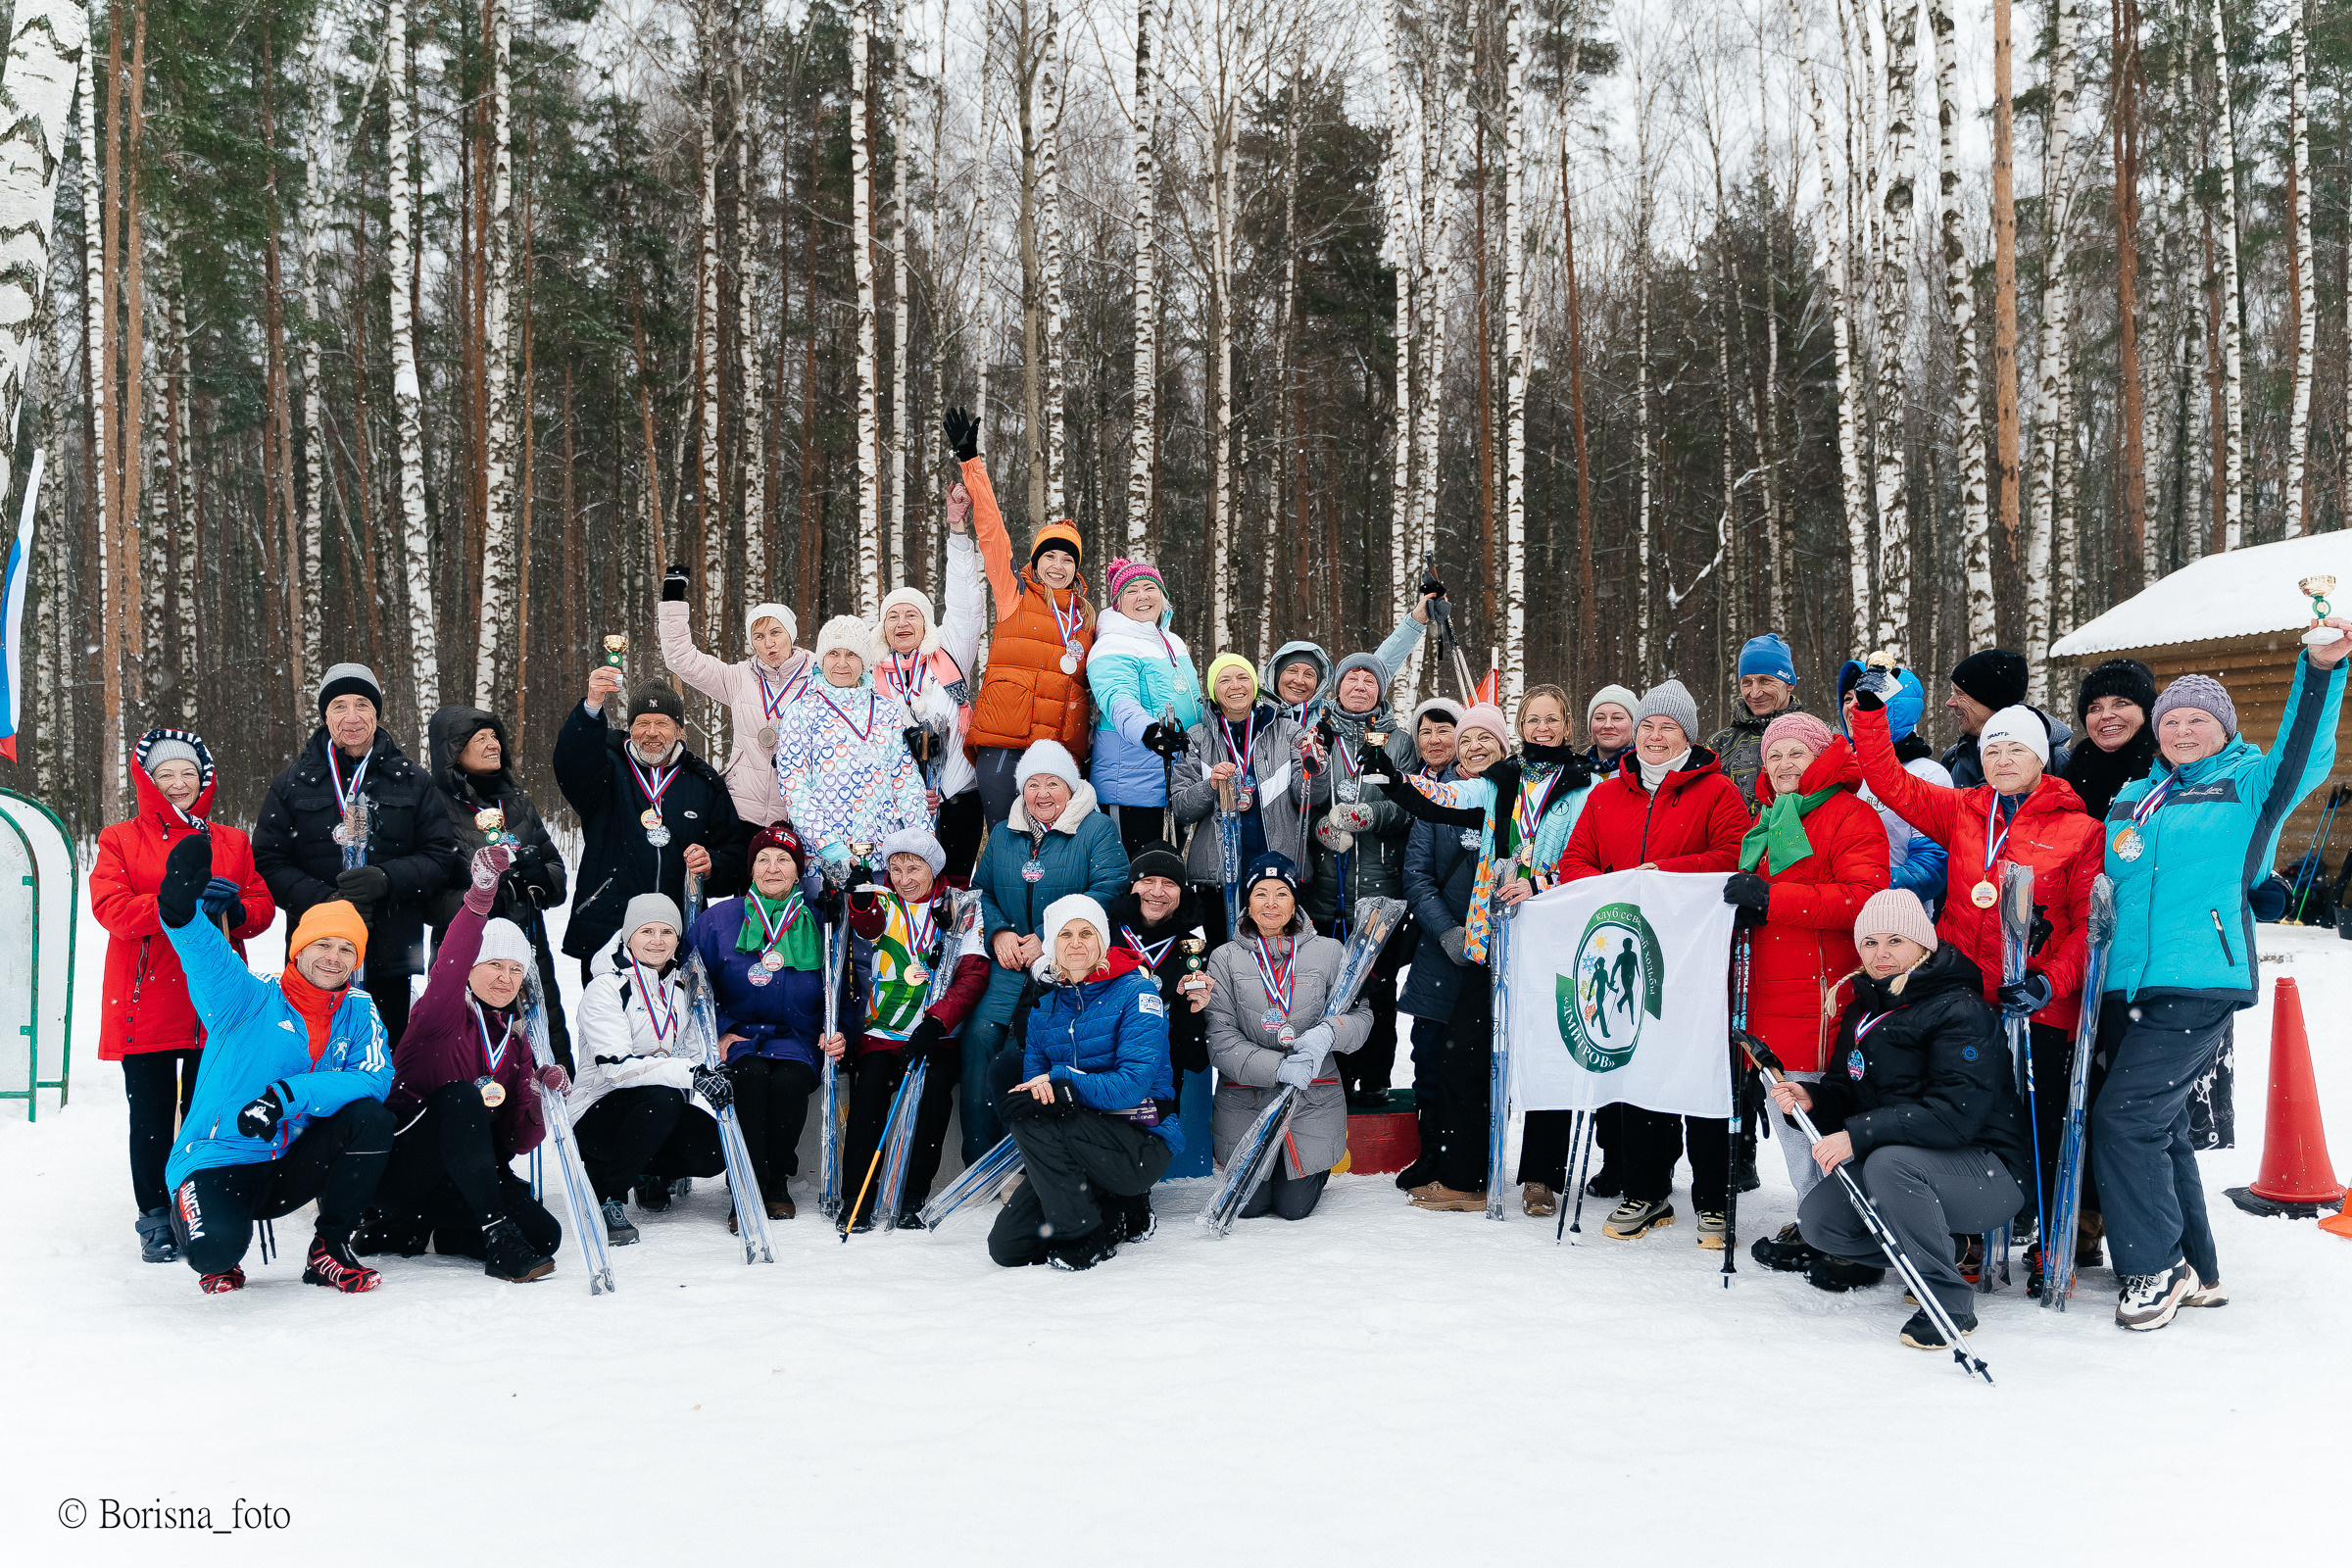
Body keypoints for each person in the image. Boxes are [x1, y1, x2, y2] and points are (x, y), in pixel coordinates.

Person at [2095, 628, 2349, 1330]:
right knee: (2163, 1127)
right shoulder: (2134, 796)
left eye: (2197, 720)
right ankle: (2199, 1271)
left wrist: (2320, 670)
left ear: (2224, 730)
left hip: (2199, 978)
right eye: (2171, 720)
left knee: (2125, 1118)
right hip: (2125, 986)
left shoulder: (2249, 783)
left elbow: (2307, 749)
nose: (2181, 730)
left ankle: (2154, 1268)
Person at [1850, 683, 2102, 1290]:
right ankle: (1963, 1231)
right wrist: (1868, 714)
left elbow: (2082, 924)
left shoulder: (2080, 829)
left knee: (2041, 1122)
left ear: (2042, 757)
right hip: (1965, 1001)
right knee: (1967, 1117)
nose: (2002, 759)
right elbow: (1891, 783)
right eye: (1993, 750)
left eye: (2016, 748)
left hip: (2036, 1004)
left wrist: (2050, 983)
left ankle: (2048, 1236)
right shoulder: (1965, 809)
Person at [1776, 890, 2034, 1350]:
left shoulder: (1962, 1010)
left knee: (1887, 1163)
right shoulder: (1862, 1010)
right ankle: (1939, 1250)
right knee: (1820, 1223)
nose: (1882, 954)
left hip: (1988, 1173)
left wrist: (1858, 1137)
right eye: (1870, 943)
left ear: (1923, 946)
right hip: (1910, 1166)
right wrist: (1812, 1099)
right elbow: (1844, 1090)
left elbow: (1955, 1115)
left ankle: (1949, 1302)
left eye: (1896, 940)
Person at [153, 832, 393, 1296]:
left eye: (347, 949)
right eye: (322, 944)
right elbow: (207, 958)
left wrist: (289, 1094)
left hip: (287, 1163)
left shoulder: (358, 1008)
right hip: (216, 1157)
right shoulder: (250, 996)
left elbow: (375, 1079)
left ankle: (330, 1247)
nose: (333, 958)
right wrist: (179, 911)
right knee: (213, 1253)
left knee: (371, 1118)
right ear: (298, 949)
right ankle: (204, 1222)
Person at [1554, 680, 1750, 1241]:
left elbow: (1733, 854)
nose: (1655, 735)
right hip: (1624, 955)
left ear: (1687, 734)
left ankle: (1714, 1197)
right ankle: (1647, 1190)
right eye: (1647, 726)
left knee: (1698, 1070)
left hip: (1693, 956)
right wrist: (1616, 889)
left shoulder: (1715, 791)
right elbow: (1576, 862)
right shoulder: (1607, 794)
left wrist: (1664, 878)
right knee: (1640, 1069)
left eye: (1668, 726)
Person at [93, 729, 276, 1263]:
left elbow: (261, 906)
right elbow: (111, 909)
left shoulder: (232, 842)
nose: (178, 784)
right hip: (144, 997)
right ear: (148, 782)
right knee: (150, 1113)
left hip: (214, 1001)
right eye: (165, 775)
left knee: (207, 1106)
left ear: (206, 781)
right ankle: (154, 1214)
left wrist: (236, 911)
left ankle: (198, 1203)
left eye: (188, 775)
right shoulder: (119, 839)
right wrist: (172, 904)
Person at [1716, 713, 1889, 1270]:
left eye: (1796, 754)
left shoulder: (1850, 815)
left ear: (1819, 758)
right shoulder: (1766, 820)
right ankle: (1817, 1217)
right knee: (1789, 1119)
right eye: (1775, 756)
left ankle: (1846, 1230)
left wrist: (1771, 898)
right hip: (1769, 995)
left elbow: (1865, 900)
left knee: (1819, 1117)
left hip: (1822, 997)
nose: (1784, 765)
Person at [366, 845, 566, 1282]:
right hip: (406, 1163)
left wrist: (536, 1100)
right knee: (459, 1098)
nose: (505, 978)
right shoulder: (441, 1012)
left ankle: (429, 1233)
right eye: (494, 964)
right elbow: (452, 960)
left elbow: (517, 1141)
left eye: (515, 970)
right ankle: (491, 1234)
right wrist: (479, 897)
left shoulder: (515, 1040)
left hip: (466, 1175)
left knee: (545, 1236)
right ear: (472, 967)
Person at [253, 662, 461, 1046]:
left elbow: (440, 854)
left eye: (362, 704)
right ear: (325, 715)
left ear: (377, 713)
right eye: (339, 706)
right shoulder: (292, 782)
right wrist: (326, 902)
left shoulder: (412, 780)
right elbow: (268, 860)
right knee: (313, 1054)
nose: (351, 717)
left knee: (383, 1055)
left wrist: (387, 880)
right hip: (316, 954)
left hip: (390, 951)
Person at [986, 895, 1181, 1269]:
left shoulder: (1136, 993)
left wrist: (1062, 1081)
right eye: (1066, 935)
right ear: (1053, 947)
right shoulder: (1044, 1010)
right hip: (1077, 1140)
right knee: (1007, 1247)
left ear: (1102, 942)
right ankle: (1109, 1206)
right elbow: (1037, 1091)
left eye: (1086, 933)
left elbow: (1131, 1087)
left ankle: (1085, 1232)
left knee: (1036, 1118)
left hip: (1138, 1138)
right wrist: (1034, 1094)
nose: (1076, 943)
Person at [962, 740, 1133, 1163]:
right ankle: (981, 1159)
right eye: (1033, 783)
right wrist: (999, 933)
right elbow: (980, 891)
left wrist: (1047, 935)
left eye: (1053, 783)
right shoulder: (1003, 833)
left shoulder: (1096, 830)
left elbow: (1110, 888)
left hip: (1065, 963)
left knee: (1037, 1046)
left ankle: (1032, 1158)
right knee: (981, 1038)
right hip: (1009, 961)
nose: (1042, 794)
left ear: (1071, 787)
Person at [1391, 703, 1518, 1210]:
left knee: (1480, 1065)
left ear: (1504, 747)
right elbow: (1416, 876)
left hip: (1498, 957)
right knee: (1429, 1058)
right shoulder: (1438, 802)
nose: (1476, 747)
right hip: (1440, 953)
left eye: (1487, 739)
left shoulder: (1515, 799)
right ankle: (1433, 1156)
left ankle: (1476, 1161)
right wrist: (1447, 931)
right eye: (1467, 740)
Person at [1202, 855, 1371, 1222]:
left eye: (1282, 893)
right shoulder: (1224, 958)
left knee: (1293, 1207)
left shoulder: (1329, 952)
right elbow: (1221, 1040)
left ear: (1296, 901)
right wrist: (1278, 1067)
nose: (1271, 903)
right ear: (1247, 902)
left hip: (1313, 1096)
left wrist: (1329, 1032)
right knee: (1249, 1206)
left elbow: (1362, 1016)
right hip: (1246, 1097)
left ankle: (1313, 1167)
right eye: (1260, 894)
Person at [951, 407, 1098, 824]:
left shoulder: (1088, 619)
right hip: (1003, 742)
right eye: (1048, 556)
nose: (1057, 565)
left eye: (1066, 559)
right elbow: (993, 532)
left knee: (1050, 850)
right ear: (1036, 562)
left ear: (1076, 568)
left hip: (1055, 750)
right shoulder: (1014, 593)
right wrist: (970, 464)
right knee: (1004, 841)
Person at [838, 828, 991, 1228]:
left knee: (934, 1095)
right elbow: (867, 927)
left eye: (914, 868)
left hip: (935, 1034)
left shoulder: (960, 906)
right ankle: (857, 1196)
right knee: (868, 1096)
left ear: (933, 868)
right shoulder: (882, 899)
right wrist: (858, 899)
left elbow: (972, 974)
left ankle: (910, 1195)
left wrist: (938, 1020)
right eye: (896, 868)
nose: (904, 879)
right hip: (883, 1032)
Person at [685, 825, 837, 1224]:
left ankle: (777, 1183)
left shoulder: (821, 923)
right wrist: (716, 1030)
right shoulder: (719, 920)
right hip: (739, 1036)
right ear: (750, 869)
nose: (773, 868)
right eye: (763, 859)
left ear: (798, 870)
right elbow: (691, 984)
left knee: (788, 1082)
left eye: (783, 859)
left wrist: (837, 1030)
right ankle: (747, 1186)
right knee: (749, 1077)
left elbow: (845, 984)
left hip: (800, 1038)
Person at [555, 668, 746, 979]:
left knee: (673, 1024)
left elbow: (736, 855)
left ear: (680, 731)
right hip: (609, 926)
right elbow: (571, 761)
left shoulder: (704, 783)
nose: (652, 732)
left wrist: (713, 865)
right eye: (642, 723)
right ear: (630, 729)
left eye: (662, 723)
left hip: (676, 933)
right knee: (607, 1022)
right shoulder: (605, 768)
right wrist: (591, 705)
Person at [568, 895, 731, 1245]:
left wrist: (708, 1070)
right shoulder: (606, 988)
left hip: (655, 1111)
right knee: (664, 1097)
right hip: (597, 1113)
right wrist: (688, 1075)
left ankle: (644, 1166)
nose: (657, 941)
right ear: (629, 937)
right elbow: (616, 1069)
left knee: (712, 1150)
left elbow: (688, 1052)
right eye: (647, 931)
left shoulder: (679, 989)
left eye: (667, 932)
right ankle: (607, 1193)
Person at [424, 705, 573, 1069]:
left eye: (495, 737)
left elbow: (557, 878)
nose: (494, 745)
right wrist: (481, 895)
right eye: (481, 739)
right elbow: (427, 899)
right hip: (468, 954)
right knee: (468, 1064)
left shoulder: (517, 802)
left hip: (527, 951)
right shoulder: (433, 808)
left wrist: (540, 875)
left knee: (545, 1061)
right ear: (453, 752)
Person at [1304, 652, 1419, 1110]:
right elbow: (1303, 795)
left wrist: (1370, 815)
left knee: (1377, 991)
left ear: (1380, 691)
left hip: (1377, 890)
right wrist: (1319, 825)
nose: (1359, 686)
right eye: (1351, 677)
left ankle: (1374, 1081)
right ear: (1337, 687)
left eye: (1368, 680)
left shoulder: (1398, 741)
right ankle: (1333, 1082)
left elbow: (1410, 804)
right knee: (1328, 991)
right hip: (1325, 891)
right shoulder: (1319, 733)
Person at [1171, 654, 1328, 948]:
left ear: (1254, 685)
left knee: (1280, 958)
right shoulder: (1198, 738)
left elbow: (1309, 796)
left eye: (1243, 677)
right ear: (1213, 691)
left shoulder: (1288, 731)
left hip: (1278, 875)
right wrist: (1210, 786)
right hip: (1219, 878)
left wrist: (1317, 766)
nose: (1235, 686)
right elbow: (1181, 808)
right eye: (1224, 679)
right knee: (1226, 959)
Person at [874, 493, 989, 875]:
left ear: (927, 623)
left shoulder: (949, 652)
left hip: (959, 797)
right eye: (893, 617)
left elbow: (964, 603)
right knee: (907, 896)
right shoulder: (869, 676)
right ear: (883, 627)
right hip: (899, 807)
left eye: (912, 615)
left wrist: (958, 532)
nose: (902, 623)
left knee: (952, 895)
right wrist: (905, 792)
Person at [656, 562, 812, 838]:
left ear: (791, 634)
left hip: (800, 813)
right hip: (742, 811)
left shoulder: (819, 677)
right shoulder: (738, 678)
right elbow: (681, 658)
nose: (769, 643)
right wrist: (672, 597)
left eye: (776, 633)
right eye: (759, 636)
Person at [775, 614, 932, 879]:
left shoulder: (885, 709)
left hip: (884, 857)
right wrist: (830, 846)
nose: (842, 663)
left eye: (852, 654)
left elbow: (904, 777)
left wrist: (922, 839)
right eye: (833, 653)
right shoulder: (802, 711)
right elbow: (794, 786)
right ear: (822, 659)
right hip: (824, 861)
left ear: (865, 661)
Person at [1104, 847, 1218, 1175]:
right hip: (1105, 1062)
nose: (1157, 891)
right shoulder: (1103, 933)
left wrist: (1190, 1010)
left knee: (1141, 1161)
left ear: (1182, 892)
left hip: (1161, 1071)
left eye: (1168, 883)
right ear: (1131, 886)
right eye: (1147, 880)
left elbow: (1194, 1057)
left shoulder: (1194, 949)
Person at [1086, 557, 1204, 857]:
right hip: (1131, 788)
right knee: (1135, 880)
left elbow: (1192, 703)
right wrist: (1151, 732)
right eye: (1131, 590)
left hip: (1174, 781)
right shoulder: (1113, 643)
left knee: (1165, 878)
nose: (1142, 597)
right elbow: (1116, 699)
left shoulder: (1173, 642)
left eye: (1149, 588)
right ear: (1117, 603)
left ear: (1161, 596)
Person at [1831, 661, 1952, 906]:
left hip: (1898, 918)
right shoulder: (1835, 770)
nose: (1854, 707)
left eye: (1867, 698)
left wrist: (1863, 886)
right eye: (1847, 699)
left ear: (1895, 707)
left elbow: (1930, 869)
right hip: (1835, 914)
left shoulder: (1927, 775)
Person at [1259, 589, 1435, 730]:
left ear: (1319, 684)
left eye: (1309, 674)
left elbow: (1378, 667)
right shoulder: (1254, 715)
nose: (1299, 680)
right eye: (1292, 670)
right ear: (1276, 675)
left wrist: (1416, 621)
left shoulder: (1328, 716)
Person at [1941, 648, 2073, 788]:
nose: (1949, 703)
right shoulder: (1955, 758)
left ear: (1990, 700)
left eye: (1960, 694)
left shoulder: (2055, 761)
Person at [1706, 633, 1804, 807]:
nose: (1755, 692)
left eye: (1765, 681)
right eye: (1746, 682)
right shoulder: (1719, 744)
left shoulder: (1815, 738)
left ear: (1789, 684)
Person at [2063, 658, 2160, 821]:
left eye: (2121, 703)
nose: (2106, 715)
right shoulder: (2075, 766)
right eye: (2095, 708)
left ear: (2146, 711)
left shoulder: (2165, 762)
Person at [1397, 697, 1460, 777]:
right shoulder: (1408, 782)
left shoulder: (1473, 782)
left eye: (1442, 731)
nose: (1433, 740)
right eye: (1426, 732)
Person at [1584, 685, 1639, 772]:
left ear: (1634, 725)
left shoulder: (1647, 776)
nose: (1607, 725)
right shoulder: (1574, 775)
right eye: (1600, 718)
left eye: (1617, 718)